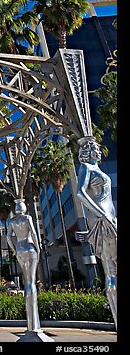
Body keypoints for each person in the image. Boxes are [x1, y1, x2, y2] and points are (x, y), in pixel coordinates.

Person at [75, 136, 117, 328]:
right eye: (96, 148)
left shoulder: (97, 169)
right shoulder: (86, 168)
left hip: (110, 219)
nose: (100, 151)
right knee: (111, 271)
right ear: (89, 150)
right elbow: (80, 193)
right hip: (103, 221)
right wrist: (101, 214)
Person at [6, 199, 41, 332]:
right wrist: (38, 248)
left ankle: (30, 323)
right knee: (32, 283)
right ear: (24, 207)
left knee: (26, 283)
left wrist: (15, 250)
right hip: (30, 248)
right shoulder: (27, 218)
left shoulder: (12, 221)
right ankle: (34, 324)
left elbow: (8, 238)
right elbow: (33, 233)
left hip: (20, 249)